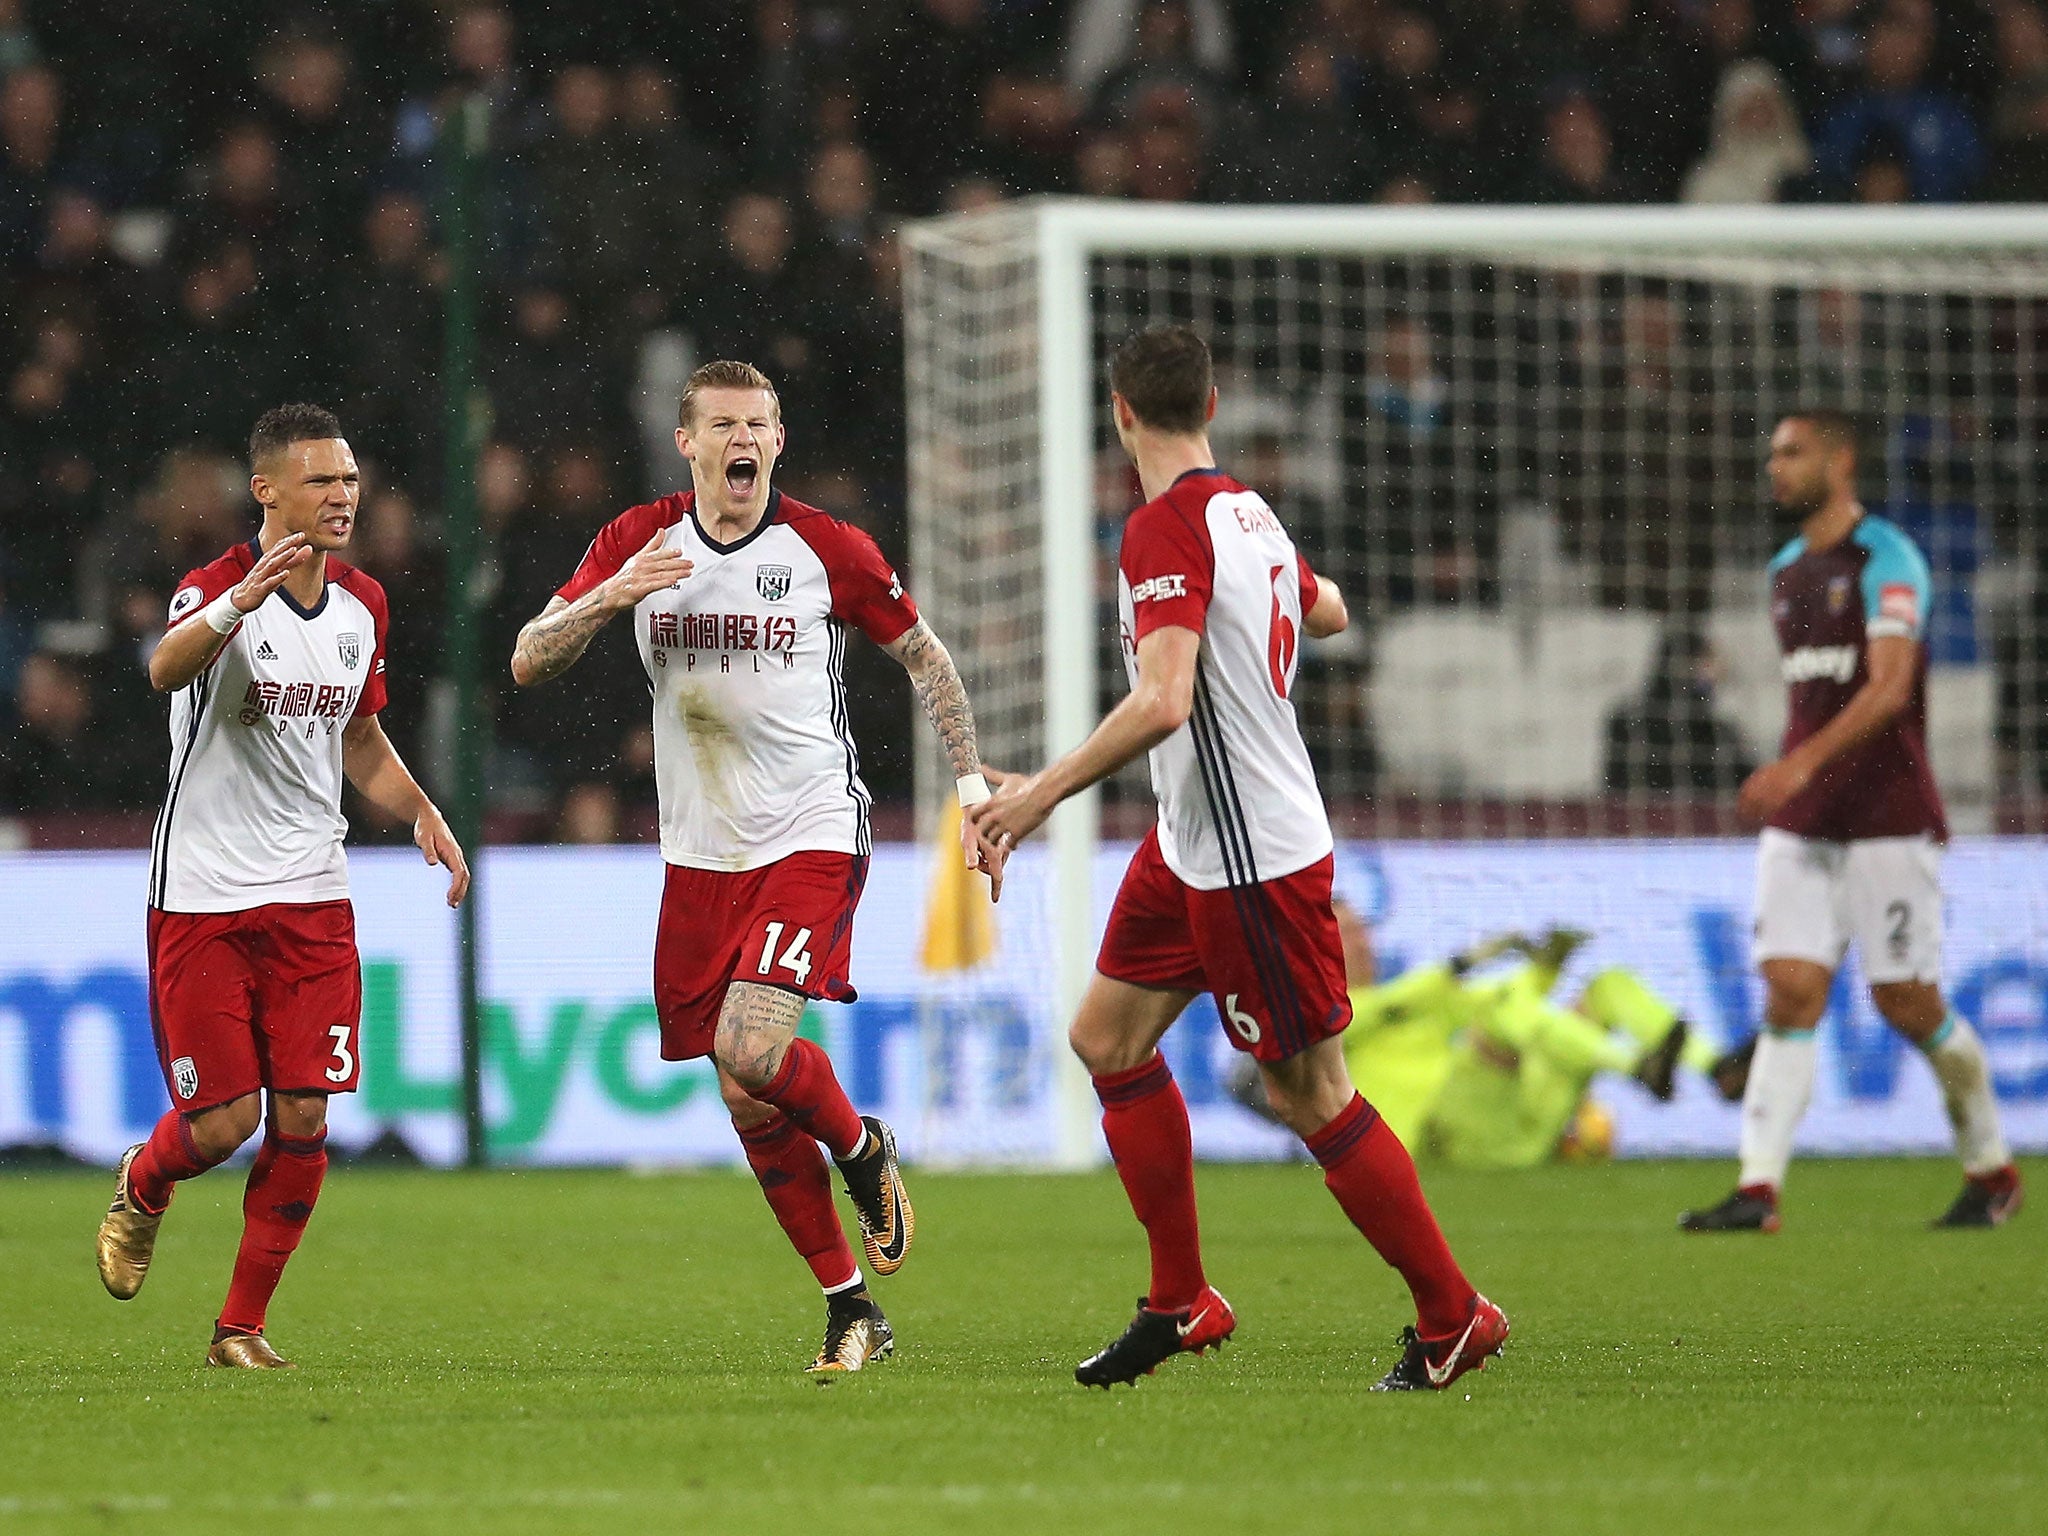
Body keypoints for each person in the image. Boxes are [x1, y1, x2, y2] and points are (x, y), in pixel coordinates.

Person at [969, 325, 1507, 1393]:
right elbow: (1332, 608)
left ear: (1119, 413)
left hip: (1251, 859)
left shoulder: (1161, 528)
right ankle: (1181, 1301)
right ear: (1209, 403)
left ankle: (1454, 1315)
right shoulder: (1246, 512)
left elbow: (1165, 702)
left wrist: (1035, 793)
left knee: (1308, 1092)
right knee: (1107, 1040)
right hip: (1189, 847)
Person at [508, 359, 1002, 1375]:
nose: (744, 440)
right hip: (700, 852)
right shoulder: (634, 541)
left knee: (749, 1041)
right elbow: (525, 659)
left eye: (761, 424)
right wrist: (608, 595)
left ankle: (863, 1151)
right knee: (742, 1093)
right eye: (724, 424)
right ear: (686, 442)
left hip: (810, 827)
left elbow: (925, 656)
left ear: (779, 441)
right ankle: (850, 1308)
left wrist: (970, 786)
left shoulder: (823, 546)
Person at [94, 404, 470, 1368]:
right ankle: (146, 1180)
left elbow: (359, 737)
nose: (344, 497)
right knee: (224, 1122)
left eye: (349, 481)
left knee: (304, 1113)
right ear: (266, 490)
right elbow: (163, 669)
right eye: (321, 481)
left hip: (311, 893)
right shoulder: (210, 590)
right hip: (205, 897)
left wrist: (422, 811)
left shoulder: (363, 604)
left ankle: (240, 1328)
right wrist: (237, 606)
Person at [1681, 410, 2023, 1233]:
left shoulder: (1888, 557)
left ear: (1840, 461)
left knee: (1905, 998)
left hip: (1886, 815)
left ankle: (1993, 1169)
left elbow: (1889, 688)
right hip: (1804, 821)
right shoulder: (1787, 570)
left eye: (1792, 453)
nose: (1776, 467)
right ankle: (1757, 1190)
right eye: (1771, 454)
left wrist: (1798, 763)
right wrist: (1797, 776)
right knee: (1791, 990)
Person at [1230, 915, 1751, 1168]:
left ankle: (1713, 1068)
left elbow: (1501, 998)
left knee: (1609, 985)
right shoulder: (1322, 1023)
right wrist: (1462, 962)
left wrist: (1546, 970)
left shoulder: (1418, 1003)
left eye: (1363, 930)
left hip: (1518, 1117)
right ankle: (1636, 1067)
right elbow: (1390, 1006)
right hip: (1451, 1139)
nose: (1362, 941)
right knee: (1499, 1020)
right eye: (1346, 932)